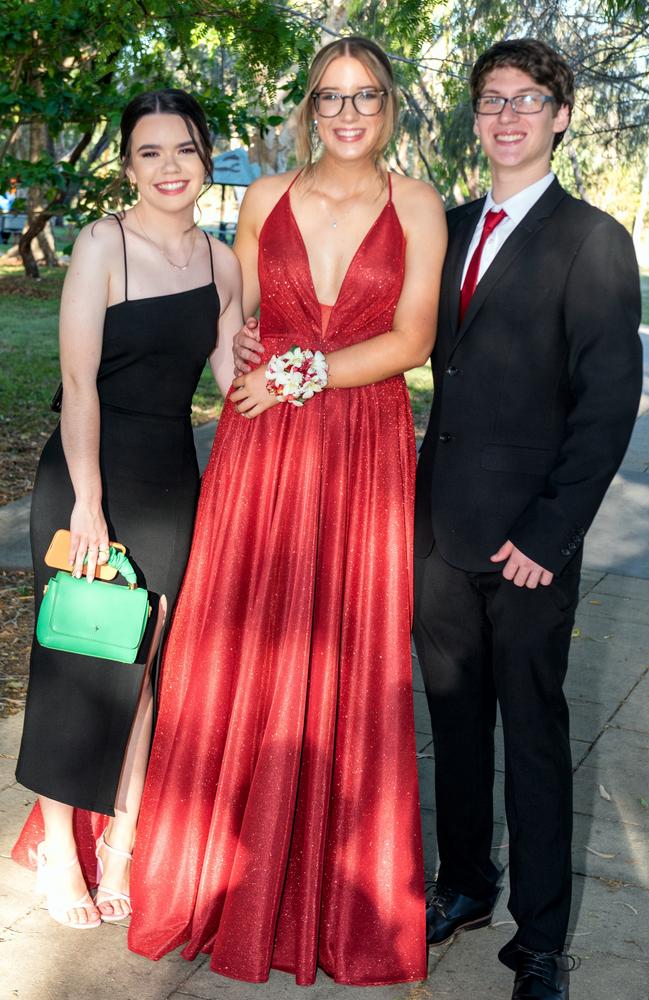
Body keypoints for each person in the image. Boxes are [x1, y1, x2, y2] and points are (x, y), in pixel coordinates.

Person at [128, 36, 446, 986]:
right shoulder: (263, 199)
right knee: (245, 641)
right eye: (330, 98)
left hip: (362, 450)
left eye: (367, 98)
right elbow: (245, 315)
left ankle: (336, 901)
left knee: (346, 651)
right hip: (263, 450)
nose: (348, 115)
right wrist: (259, 363)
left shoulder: (419, 205)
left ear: (391, 108)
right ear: (308, 108)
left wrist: (307, 372)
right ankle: (222, 881)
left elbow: (414, 336)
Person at [412, 38, 642, 1000]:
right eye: (490, 100)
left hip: (528, 549)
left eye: (527, 99)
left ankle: (539, 939)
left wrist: (550, 538)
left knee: (535, 738)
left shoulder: (594, 239)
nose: (505, 115)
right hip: (439, 534)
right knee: (454, 728)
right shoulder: (448, 225)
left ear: (560, 114)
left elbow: (607, 405)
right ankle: (465, 884)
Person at [12, 89, 242, 929]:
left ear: (206, 158)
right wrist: (90, 506)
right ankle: (61, 854)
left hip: (172, 485)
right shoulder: (103, 243)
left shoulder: (223, 265)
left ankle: (124, 843)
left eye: (184, 149)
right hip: (86, 477)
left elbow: (232, 379)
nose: (170, 167)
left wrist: (308, 379)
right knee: (78, 665)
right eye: (150, 153)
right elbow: (78, 385)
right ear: (128, 166)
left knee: (142, 673)